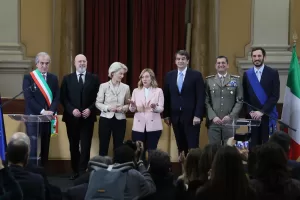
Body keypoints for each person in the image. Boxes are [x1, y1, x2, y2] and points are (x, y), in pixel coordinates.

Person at [60, 54, 100, 180]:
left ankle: (83, 171)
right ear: (75, 63)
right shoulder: (67, 78)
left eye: (84, 61)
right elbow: (63, 98)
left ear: (87, 63)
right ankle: (75, 170)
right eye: (79, 61)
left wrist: (90, 109)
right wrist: (72, 110)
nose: (82, 63)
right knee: (73, 145)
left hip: (88, 117)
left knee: (86, 145)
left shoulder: (94, 78)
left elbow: (99, 98)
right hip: (71, 118)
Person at [163, 50, 205, 155]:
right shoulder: (170, 76)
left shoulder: (196, 75)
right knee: (181, 147)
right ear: (175, 61)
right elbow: (166, 96)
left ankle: (194, 170)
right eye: (178, 59)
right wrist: (166, 115)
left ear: (187, 61)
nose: (180, 61)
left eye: (183, 59)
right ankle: (184, 170)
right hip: (176, 117)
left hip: (192, 118)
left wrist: (198, 115)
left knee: (192, 147)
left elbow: (201, 97)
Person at [23, 52, 60, 166]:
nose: (44, 66)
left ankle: (43, 171)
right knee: (33, 146)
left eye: (47, 63)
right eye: (42, 63)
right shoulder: (29, 78)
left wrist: (51, 111)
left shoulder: (53, 78)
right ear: (37, 64)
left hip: (48, 117)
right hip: (33, 116)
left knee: (45, 145)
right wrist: (42, 111)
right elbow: (29, 98)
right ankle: (32, 170)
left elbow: (57, 97)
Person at [243, 47, 280, 148]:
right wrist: (251, 111)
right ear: (251, 58)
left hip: (267, 116)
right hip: (253, 117)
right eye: (254, 56)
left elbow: (275, 96)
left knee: (268, 147)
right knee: (253, 147)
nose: (257, 58)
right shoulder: (247, 74)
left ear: (264, 57)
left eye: (259, 56)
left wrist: (262, 112)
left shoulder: (273, 73)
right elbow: (245, 97)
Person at [205, 56, 243, 145]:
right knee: (214, 150)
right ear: (215, 65)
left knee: (229, 150)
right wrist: (213, 117)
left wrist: (231, 116)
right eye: (218, 63)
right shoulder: (209, 81)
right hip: (214, 122)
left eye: (223, 63)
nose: (221, 65)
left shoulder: (236, 80)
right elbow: (206, 101)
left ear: (227, 65)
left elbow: (240, 100)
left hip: (230, 122)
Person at [95, 62, 131, 156]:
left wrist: (122, 108)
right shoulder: (103, 86)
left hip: (120, 120)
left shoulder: (126, 87)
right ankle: (102, 167)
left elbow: (128, 104)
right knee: (103, 145)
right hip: (105, 119)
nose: (122, 76)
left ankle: (117, 168)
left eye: (123, 74)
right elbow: (98, 103)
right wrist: (108, 107)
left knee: (119, 146)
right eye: (120, 73)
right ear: (112, 73)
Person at [129, 68, 164, 156]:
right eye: (142, 77)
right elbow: (131, 109)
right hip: (139, 125)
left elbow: (161, 108)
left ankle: (151, 169)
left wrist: (155, 107)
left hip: (153, 125)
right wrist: (132, 106)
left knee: (152, 151)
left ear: (152, 78)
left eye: (147, 77)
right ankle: (140, 168)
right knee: (139, 151)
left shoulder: (158, 91)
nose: (144, 79)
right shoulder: (136, 91)